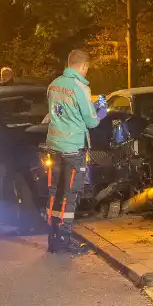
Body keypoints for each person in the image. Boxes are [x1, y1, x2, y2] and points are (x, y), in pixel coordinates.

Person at [44, 49, 107, 253]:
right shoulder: (80, 87)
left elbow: (60, 113)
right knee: (70, 195)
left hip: (54, 146)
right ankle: (65, 239)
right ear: (84, 66)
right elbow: (91, 121)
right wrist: (100, 113)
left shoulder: (54, 85)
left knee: (55, 192)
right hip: (72, 149)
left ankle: (53, 238)